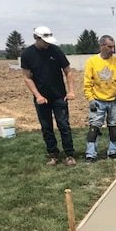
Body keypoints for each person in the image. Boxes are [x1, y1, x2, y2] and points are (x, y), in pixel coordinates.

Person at [20, 26, 76, 166]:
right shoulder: (27, 54)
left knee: (64, 125)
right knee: (46, 127)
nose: (47, 43)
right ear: (36, 38)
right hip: (41, 98)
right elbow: (27, 77)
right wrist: (38, 95)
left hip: (59, 96)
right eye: (44, 41)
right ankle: (53, 154)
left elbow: (68, 71)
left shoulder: (56, 51)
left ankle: (69, 154)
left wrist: (70, 91)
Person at [83, 35, 116, 162]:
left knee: (113, 127)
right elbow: (87, 83)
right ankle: (91, 154)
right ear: (102, 46)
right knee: (94, 128)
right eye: (109, 47)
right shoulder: (92, 62)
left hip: (114, 100)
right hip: (98, 100)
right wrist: (90, 99)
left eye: (113, 47)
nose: (112, 50)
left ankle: (113, 152)